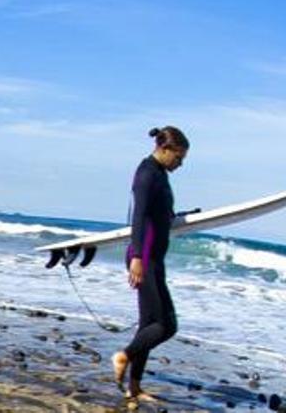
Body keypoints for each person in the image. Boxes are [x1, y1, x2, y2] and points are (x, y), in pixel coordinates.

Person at [112, 126, 189, 402]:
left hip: (152, 257)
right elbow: (139, 217)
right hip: (145, 258)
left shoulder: (159, 174)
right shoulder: (147, 174)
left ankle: (134, 387)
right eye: (178, 158)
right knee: (166, 326)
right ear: (165, 149)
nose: (180, 164)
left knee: (147, 324)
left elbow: (157, 215)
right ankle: (123, 356)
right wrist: (137, 257)